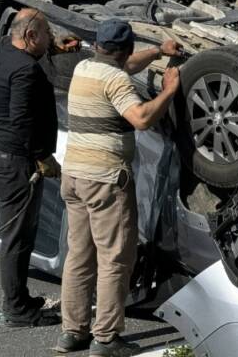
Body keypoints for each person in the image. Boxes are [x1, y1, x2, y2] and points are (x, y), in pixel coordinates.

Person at [56, 19, 181, 357]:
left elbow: (125, 65)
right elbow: (140, 117)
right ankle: (106, 339)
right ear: (123, 49)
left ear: (98, 47)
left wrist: (157, 52)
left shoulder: (86, 67)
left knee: (79, 256)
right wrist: (168, 90)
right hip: (106, 181)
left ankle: (73, 332)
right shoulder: (116, 80)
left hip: (74, 177)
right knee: (115, 259)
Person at [0, 8, 65, 327]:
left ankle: (20, 297)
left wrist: (54, 48)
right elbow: (22, 121)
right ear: (30, 36)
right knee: (17, 237)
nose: (50, 40)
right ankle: (17, 310)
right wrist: (44, 157)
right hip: (14, 160)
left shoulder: (3, 53)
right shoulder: (27, 71)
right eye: (46, 35)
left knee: (17, 234)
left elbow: (25, 47)